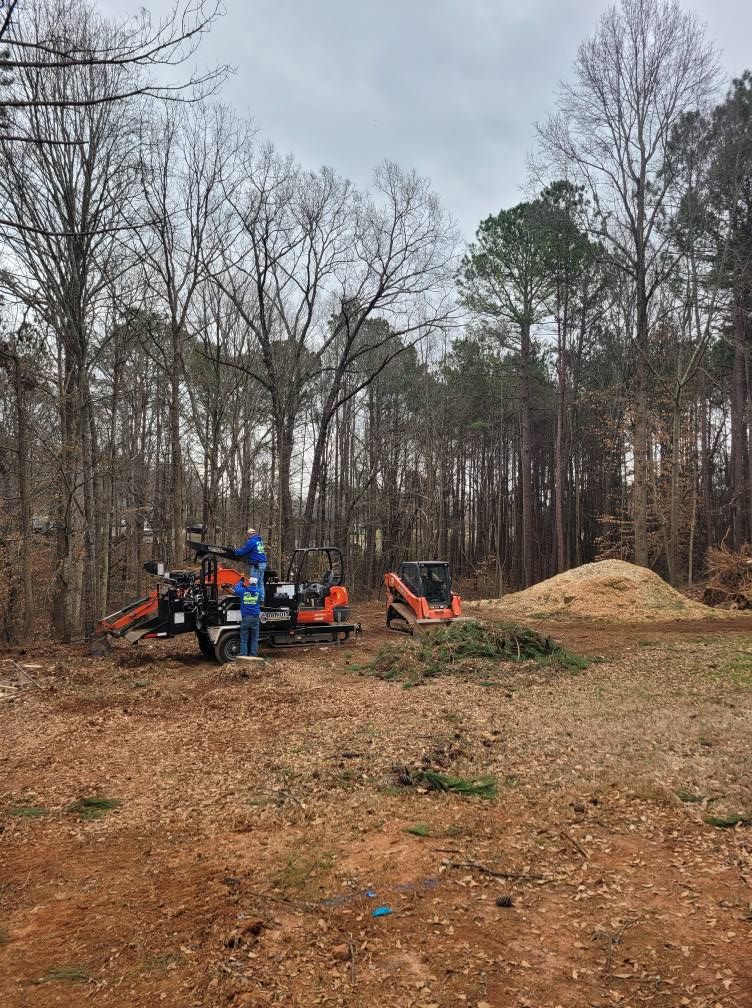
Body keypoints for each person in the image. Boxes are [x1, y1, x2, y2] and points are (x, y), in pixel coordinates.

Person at [232, 575, 263, 661]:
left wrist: (241, 581)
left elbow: (236, 588)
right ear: (256, 583)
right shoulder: (259, 592)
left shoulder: (243, 591)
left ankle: (243, 656)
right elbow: (260, 595)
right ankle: (253, 655)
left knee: (244, 638)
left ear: (249, 582)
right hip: (255, 618)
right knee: (254, 638)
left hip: (246, 618)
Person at [234, 527, 268, 602]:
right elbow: (254, 552)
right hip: (263, 563)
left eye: (248, 535)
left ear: (249, 534)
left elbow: (243, 551)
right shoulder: (259, 541)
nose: (248, 537)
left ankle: (255, 600)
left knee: (254, 582)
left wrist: (235, 551)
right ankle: (261, 599)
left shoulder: (251, 541)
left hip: (257, 564)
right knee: (260, 582)